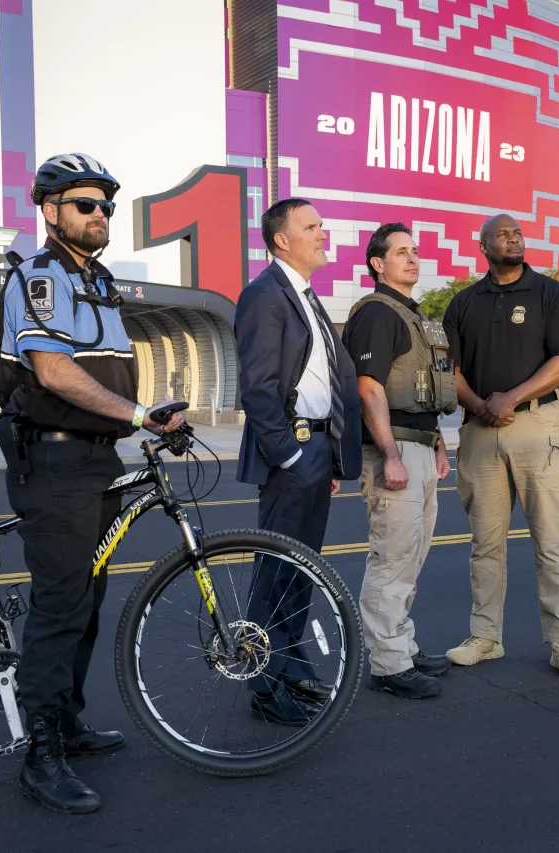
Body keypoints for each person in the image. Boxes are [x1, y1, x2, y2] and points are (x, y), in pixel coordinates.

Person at [0, 153, 185, 815]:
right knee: (60, 603)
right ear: (50, 212)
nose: (99, 214)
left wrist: (150, 416)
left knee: (88, 597)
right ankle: (40, 753)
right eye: (84, 203)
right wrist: (136, 414)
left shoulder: (99, 281)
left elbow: (106, 375)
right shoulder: (40, 277)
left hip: (94, 457)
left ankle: (66, 719)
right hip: (53, 459)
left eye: (105, 204)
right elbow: (54, 372)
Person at [440, 213, 559, 678]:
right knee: (485, 544)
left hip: (537, 424)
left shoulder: (551, 294)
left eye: (518, 233)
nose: (514, 238)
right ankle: (486, 637)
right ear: (483, 245)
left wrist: (511, 398)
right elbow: (452, 372)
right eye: (503, 234)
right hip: (480, 432)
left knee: (551, 540)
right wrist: (483, 405)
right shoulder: (463, 303)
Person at [234, 198, 363, 723]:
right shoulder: (265, 295)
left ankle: (289, 665)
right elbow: (259, 388)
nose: (322, 233)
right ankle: (264, 686)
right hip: (291, 451)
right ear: (282, 239)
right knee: (276, 570)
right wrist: (289, 453)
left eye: (321, 225)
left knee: (301, 570)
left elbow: (321, 381)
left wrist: (327, 455)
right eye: (311, 226)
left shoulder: (306, 296)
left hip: (315, 450)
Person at [343, 223, 455, 700]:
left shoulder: (412, 315)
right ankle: (388, 666)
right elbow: (369, 389)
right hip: (395, 453)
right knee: (391, 559)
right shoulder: (376, 314)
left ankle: (401, 647)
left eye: (415, 251)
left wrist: (438, 442)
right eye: (401, 252)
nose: (413, 259)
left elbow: (424, 390)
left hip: (420, 447)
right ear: (377, 263)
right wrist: (390, 454)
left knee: (413, 554)